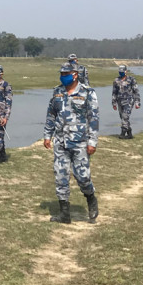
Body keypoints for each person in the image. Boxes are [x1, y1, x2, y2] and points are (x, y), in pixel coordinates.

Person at [43, 62, 99, 224]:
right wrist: (48, 135)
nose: (63, 76)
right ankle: (64, 213)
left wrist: (92, 141)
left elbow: (93, 118)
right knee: (60, 176)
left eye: (66, 73)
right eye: (61, 74)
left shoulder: (88, 93)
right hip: (60, 142)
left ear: (75, 74)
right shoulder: (57, 92)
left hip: (80, 142)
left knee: (82, 177)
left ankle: (91, 199)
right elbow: (51, 115)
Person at [111, 64, 141, 139]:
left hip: (129, 101)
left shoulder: (131, 79)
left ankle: (123, 132)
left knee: (125, 116)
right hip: (120, 101)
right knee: (122, 117)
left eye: (122, 72)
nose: (121, 73)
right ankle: (129, 132)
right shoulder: (116, 80)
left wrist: (137, 102)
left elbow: (136, 91)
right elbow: (114, 92)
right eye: (119, 72)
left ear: (126, 71)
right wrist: (113, 103)